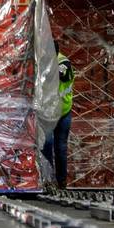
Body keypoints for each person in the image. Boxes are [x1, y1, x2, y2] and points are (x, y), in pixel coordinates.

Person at [43, 50, 74, 188]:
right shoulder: (44, 61)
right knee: (47, 145)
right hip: (49, 114)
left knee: (60, 147)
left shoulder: (63, 63)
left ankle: (61, 181)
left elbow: (61, 75)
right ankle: (48, 180)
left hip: (63, 113)